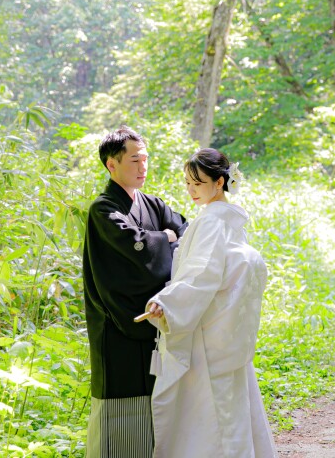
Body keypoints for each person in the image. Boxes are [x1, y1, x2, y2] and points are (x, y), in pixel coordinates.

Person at [143, 148, 277, 458]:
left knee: (210, 414)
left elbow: (203, 274)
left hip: (208, 331)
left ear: (219, 182)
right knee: (230, 409)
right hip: (226, 330)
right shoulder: (229, 220)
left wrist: (168, 302)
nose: (191, 191)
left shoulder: (212, 222)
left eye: (198, 183)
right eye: (188, 183)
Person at [82, 126, 188, 457]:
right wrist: (166, 238)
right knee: (121, 411)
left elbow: (187, 231)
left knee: (158, 404)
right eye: (134, 160)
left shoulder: (152, 204)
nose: (142, 167)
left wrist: (171, 237)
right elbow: (138, 248)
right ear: (111, 165)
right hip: (117, 324)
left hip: (155, 320)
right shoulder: (103, 210)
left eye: (145, 159)